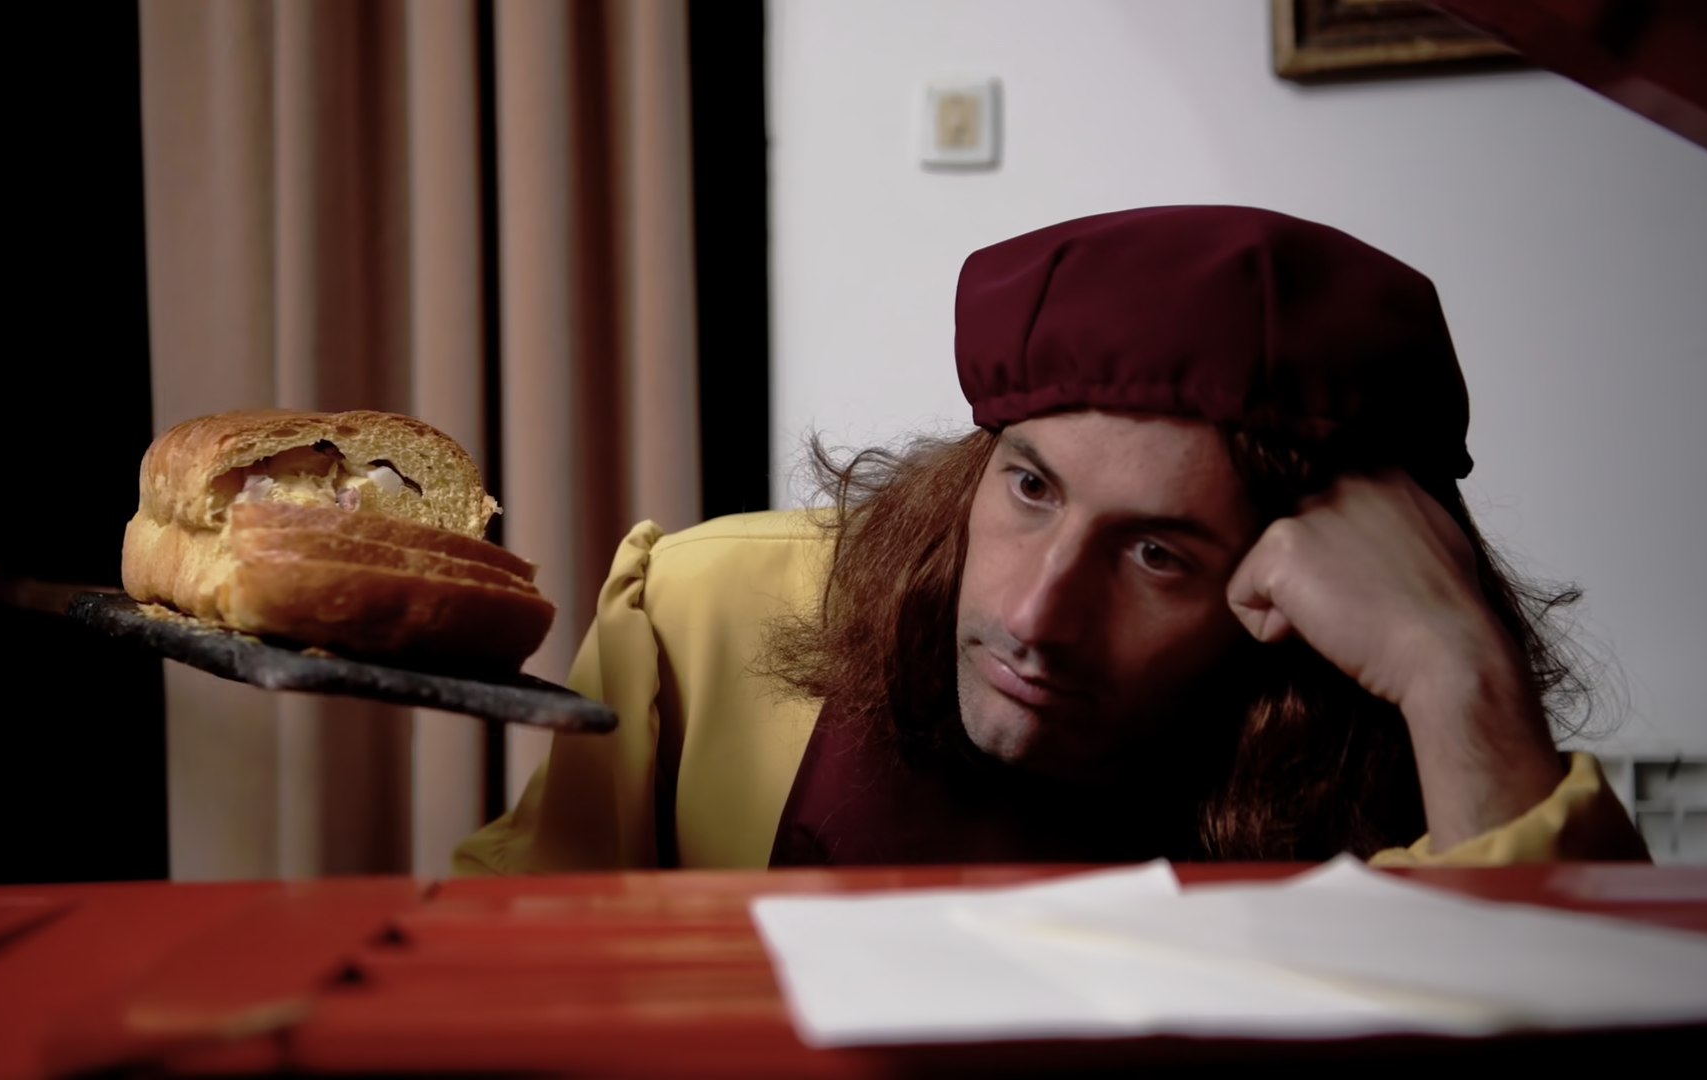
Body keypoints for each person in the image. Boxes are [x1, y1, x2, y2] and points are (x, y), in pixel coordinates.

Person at [455, 206, 1647, 874]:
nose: (1034, 616)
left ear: (1292, 596)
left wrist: (1457, 673)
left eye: (1157, 555)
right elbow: (507, 962)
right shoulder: (700, 610)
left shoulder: (1388, 720)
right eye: (1031, 488)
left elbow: (1577, 1024)